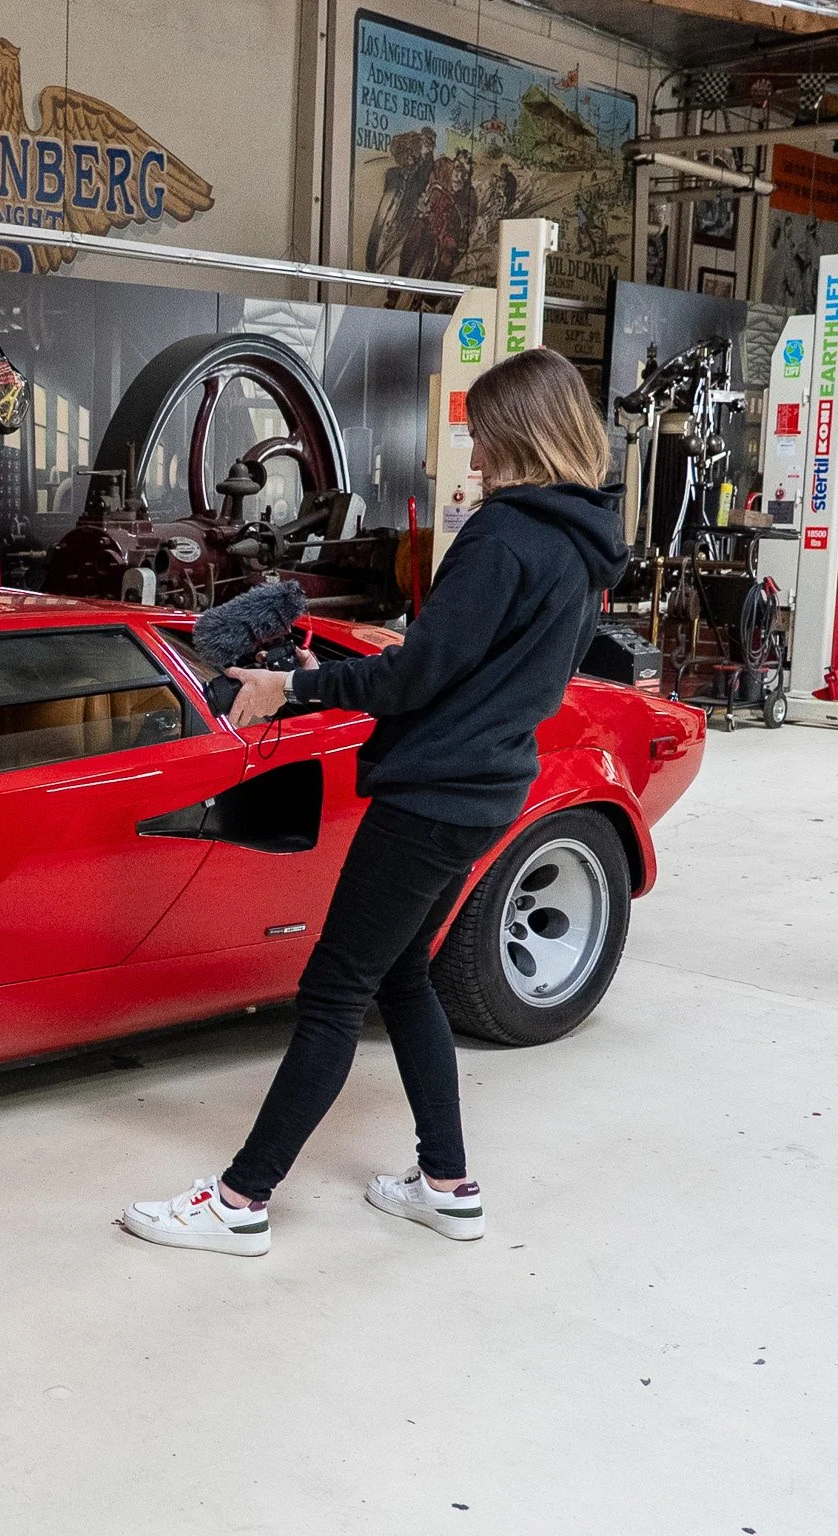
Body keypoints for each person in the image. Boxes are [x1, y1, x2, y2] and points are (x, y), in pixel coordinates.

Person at [124, 348, 628, 1257]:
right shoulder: (579, 543)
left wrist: (296, 691)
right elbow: (474, 672)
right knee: (401, 975)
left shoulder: (506, 534)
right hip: (486, 788)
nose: (471, 457)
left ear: (520, 434)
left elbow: (421, 672)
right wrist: (341, 673)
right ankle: (447, 1184)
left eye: (482, 437)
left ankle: (241, 1200)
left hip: (432, 797)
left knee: (331, 991)